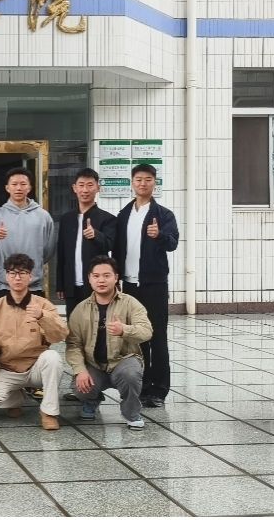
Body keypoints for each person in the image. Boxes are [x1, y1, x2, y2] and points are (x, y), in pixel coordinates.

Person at [113, 163, 179, 409]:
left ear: (154, 183)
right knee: (136, 338)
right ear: (132, 182)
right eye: (139, 179)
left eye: (148, 179)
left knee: (157, 336)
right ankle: (141, 386)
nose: (143, 183)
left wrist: (158, 235)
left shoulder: (164, 215)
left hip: (154, 284)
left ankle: (159, 389)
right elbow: (117, 249)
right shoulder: (124, 214)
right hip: (130, 285)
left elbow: (172, 243)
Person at [0, 254, 68, 430]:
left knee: (53, 358)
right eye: (13, 273)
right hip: (8, 368)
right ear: (6, 276)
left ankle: (49, 412)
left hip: (36, 367)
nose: (17, 278)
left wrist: (42, 316)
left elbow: (60, 335)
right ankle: (17, 398)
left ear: (31, 276)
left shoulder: (42, 304)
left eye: (22, 273)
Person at [66, 256, 153, 430]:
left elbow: (147, 331)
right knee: (79, 385)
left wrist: (124, 330)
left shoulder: (130, 303)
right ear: (89, 279)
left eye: (107, 275)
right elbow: (73, 345)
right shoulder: (80, 309)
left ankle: (131, 413)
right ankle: (92, 400)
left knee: (131, 375)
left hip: (123, 360)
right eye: (96, 276)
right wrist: (80, 370)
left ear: (116, 277)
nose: (101, 280)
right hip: (94, 364)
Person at [0, 168, 56, 300]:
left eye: (23, 184)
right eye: (14, 184)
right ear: (7, 188)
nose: (19, 188)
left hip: (33, 286)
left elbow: (49, 250)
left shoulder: (43, 216)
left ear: (29, 187)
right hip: (4, 286)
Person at [56, 168, 118, 316]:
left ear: (98, 188)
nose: (85, 190)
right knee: (74, 324)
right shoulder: (66, 219)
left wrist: (96, 235)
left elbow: (110, 245)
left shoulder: (108, 219)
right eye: (81, 185)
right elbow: (61, 253)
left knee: (96, 323)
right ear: (74, 188)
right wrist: (60, 284)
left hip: (96, 285)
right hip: (71, 285)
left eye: (90, 185)